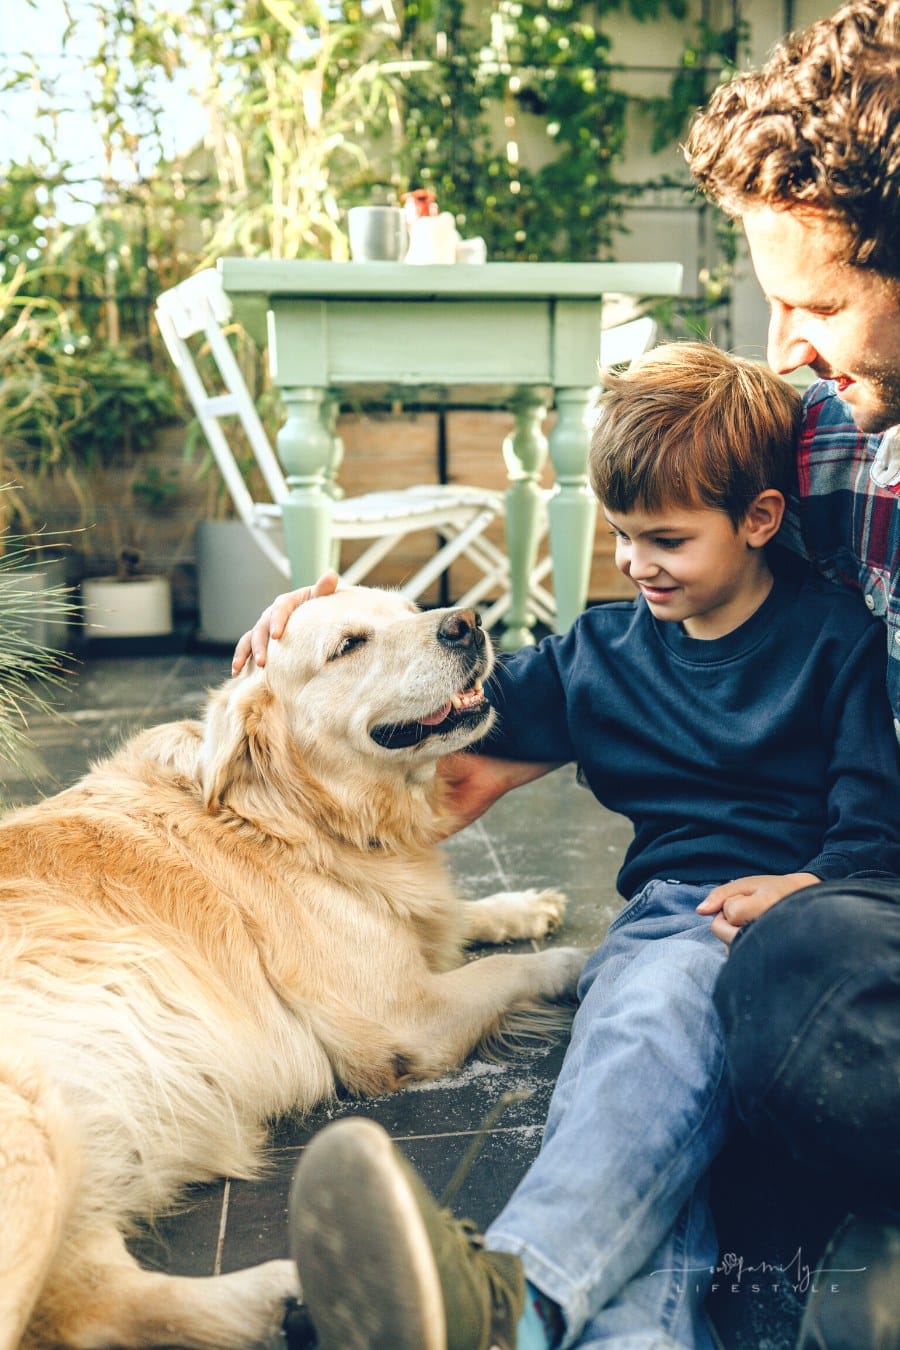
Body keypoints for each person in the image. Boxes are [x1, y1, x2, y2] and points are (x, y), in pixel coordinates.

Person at [243, 342, 900, 1350]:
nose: (638, 565)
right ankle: (557, 1322)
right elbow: (438, 702)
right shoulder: (598, 657)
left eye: (669, 540)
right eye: (624, 537)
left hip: (808, 931)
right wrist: (313, 630)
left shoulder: (835, 641)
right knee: (636, 1099)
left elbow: (873, 821)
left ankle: (511, 1298)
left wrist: (807, 886)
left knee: (633, 1071)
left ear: (760, 520)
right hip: (676, 917)